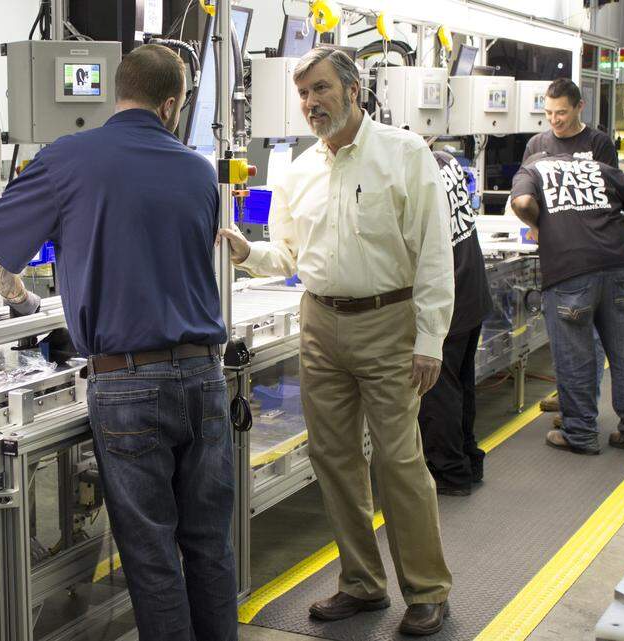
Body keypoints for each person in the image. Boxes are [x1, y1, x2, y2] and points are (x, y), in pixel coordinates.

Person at [0, 45, 235, 641]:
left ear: (119, 91)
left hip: (126, 385)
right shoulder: (198, 169)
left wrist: (25, 304)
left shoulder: (68, 158)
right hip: (203, 378)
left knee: (152, 555)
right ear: (172, 105)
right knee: (210, 548)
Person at [219, 47, 454, 636]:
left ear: (353, 90)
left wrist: (430, 337)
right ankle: (361, 583)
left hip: (389, 323)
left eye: (320, 90)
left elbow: (433, 253)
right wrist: (249, 255)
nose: (310, 104)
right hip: (319, 324)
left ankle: (427, 591)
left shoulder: (403, 156)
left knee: (399, 462)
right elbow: (292, 256)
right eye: (303, 94)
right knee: (333, 459)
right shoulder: (298, 171)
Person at [510, 153, 624, 455]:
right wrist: (621, 227)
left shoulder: (531, 170)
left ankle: (580, 433)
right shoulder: (599, 168)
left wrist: (542, 226)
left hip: (570, 270)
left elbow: (523, 203)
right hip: (617, 266)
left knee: (575, 355)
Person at [520, 78, 619, 417]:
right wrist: (535, 227)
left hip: (590, 258)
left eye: (561, 113)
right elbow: (526, 194)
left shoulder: (598, 144)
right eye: (548, 113)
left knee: (586, 339)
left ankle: (580, 410)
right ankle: (569, 396)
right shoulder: (536, 144)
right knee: (562, 337)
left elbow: (608, 199)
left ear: (580, 107)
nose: (555, 120)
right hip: (555, 258)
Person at [418, 151, 493, 496]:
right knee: (461, 384)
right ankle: (469, 460)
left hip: (451, 296)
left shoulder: (417, 169)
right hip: (471, 289)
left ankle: (450, 474)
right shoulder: (446, 160)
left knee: (437, 392)